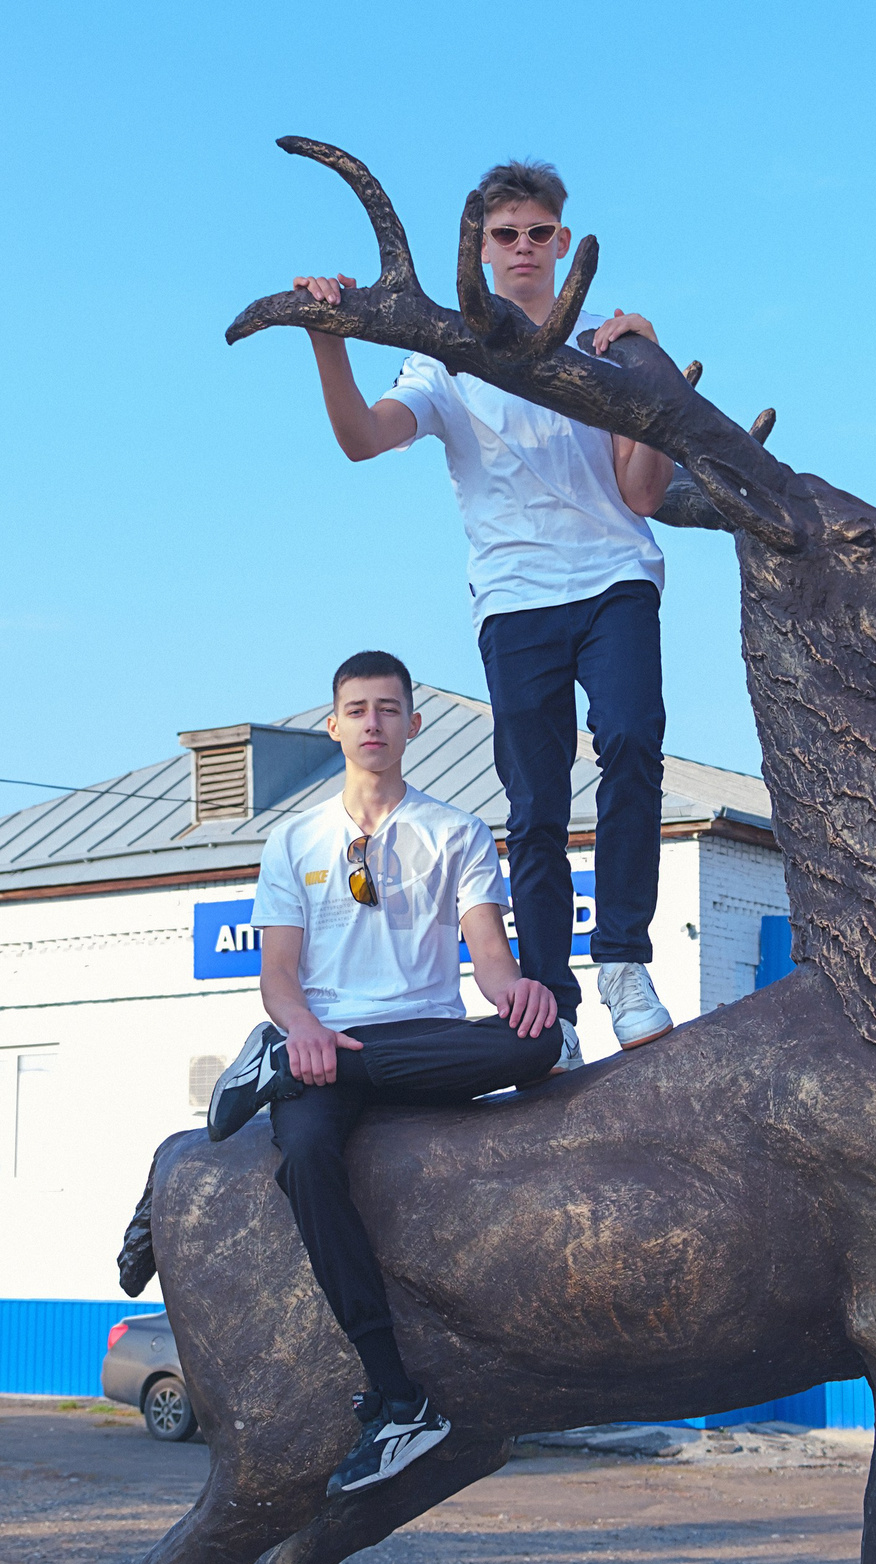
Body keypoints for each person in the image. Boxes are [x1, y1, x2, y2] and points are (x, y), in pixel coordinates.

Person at [286, 157, 677, 1071]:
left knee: (629, 740)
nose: (525, 249)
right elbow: (362, 440)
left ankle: (622, 961)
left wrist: (654, 384)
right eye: (507, 235)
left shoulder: (610, 340)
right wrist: (326, 338)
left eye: (541, 233)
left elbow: (644, 492)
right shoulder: (446, 355)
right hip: (514, 597)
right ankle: (555, 1001)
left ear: (564, 242)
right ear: (482, 247)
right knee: (536, 803)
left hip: (615, 575)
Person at [204, 650, 561, 1496]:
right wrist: (301, 1029)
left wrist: (522, 992)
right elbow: (279, 976)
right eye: (356, 709)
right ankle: (398, 1400)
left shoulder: (457, 833)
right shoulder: (295, 838)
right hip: (319, 1038)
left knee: (536, 1044)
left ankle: (276, 1071)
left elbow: (491, 966)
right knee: (310, 1164)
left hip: (422, 1045)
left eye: (388, 709)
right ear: (333, 726)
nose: (373, 722)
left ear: (412, 724)